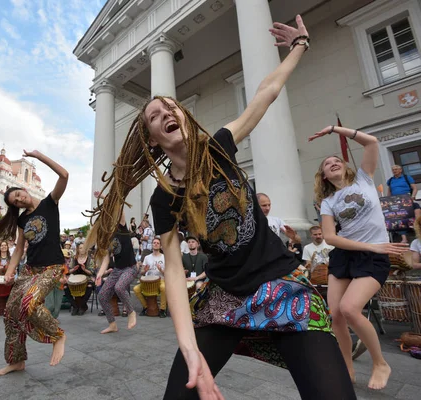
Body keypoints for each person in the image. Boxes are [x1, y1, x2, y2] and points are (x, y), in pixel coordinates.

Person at [86, 15, 356, 400]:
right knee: (179, 395)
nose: (166, 115)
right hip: (223, 298)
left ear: (183, 116)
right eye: (155, 116)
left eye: (170, 109)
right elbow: (175, 272)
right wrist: (189, 348)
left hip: (281, 286)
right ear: (152, 139)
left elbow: (267, 91)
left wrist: (299, 46)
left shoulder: (220, 147)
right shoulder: (164, 198)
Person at [314, 124, 410, 390]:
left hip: (374, 254)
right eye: (327, 164)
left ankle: (380, 362)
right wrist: (369, 247)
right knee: (335, 315)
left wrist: (335, 130)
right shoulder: (328, 202)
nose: (332, 163)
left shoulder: (364, 179)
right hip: (345, 256)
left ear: (345, 167)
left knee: (349, 308)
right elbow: (330, 237)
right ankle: (346, 366)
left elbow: (371, 143)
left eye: (337, 161)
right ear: (323, 175)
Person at [0, 149, 68, 376]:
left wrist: (39, 157)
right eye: (15, 201)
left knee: (28, 304)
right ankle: (16, 361)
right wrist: (10, 271)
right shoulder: (23, 219)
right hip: (30, 269)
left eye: (18, 195)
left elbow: (64, 175)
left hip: (52, 267)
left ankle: (58, 335)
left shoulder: (49, 203)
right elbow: (19, 249)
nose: (20, 199)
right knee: (12, 314)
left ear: (23, 190)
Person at [92, 190, 139, 334]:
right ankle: (112, 324)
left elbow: (118, 207)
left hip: (130, 268)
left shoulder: (122, 226)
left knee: (119, 288)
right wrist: (99, 274)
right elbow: (106, 259)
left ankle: (131, 312)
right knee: (102, 296)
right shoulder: (106, 238)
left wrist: (103, 196)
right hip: (117, 270)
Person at [386, 164, 421, 243]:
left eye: (396, 169)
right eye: (393, 170)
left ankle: (418, 233)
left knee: (417, 210)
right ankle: (404, 238)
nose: (394, 171)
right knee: (398, 217)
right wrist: (388, 200)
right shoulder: (391, 180)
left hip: (407, 199)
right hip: (396, 201)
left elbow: (414, 188)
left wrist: (413, 196)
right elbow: (389, 191)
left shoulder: (407, 177)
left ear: (400, 170)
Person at [134, 237, 167, 318]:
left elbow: (167, 273)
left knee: (164, 288)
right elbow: (142, 272)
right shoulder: (147, 257)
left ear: (160, 246)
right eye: (154, 243)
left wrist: (161, 270)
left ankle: (163, 309)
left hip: (160, 280)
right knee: (136, 289)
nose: (155, 244)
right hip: (147, 281)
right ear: (152, 245)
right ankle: (145, 307)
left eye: (157, 243)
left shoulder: (164, 257)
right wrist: (145, 270)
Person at [64, 243, 95, 316]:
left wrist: (85, 269)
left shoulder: (89, 259)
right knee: (65, 286)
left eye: (84, 248)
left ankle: (81, 306)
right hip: (74, 278)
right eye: (80, 248)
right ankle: (75, 306)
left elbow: (92, 272)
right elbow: (68, 271)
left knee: (90, 286)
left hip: (86, 278)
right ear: (78, 249)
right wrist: (73, 269)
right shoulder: (74, 258)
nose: (82, 249)